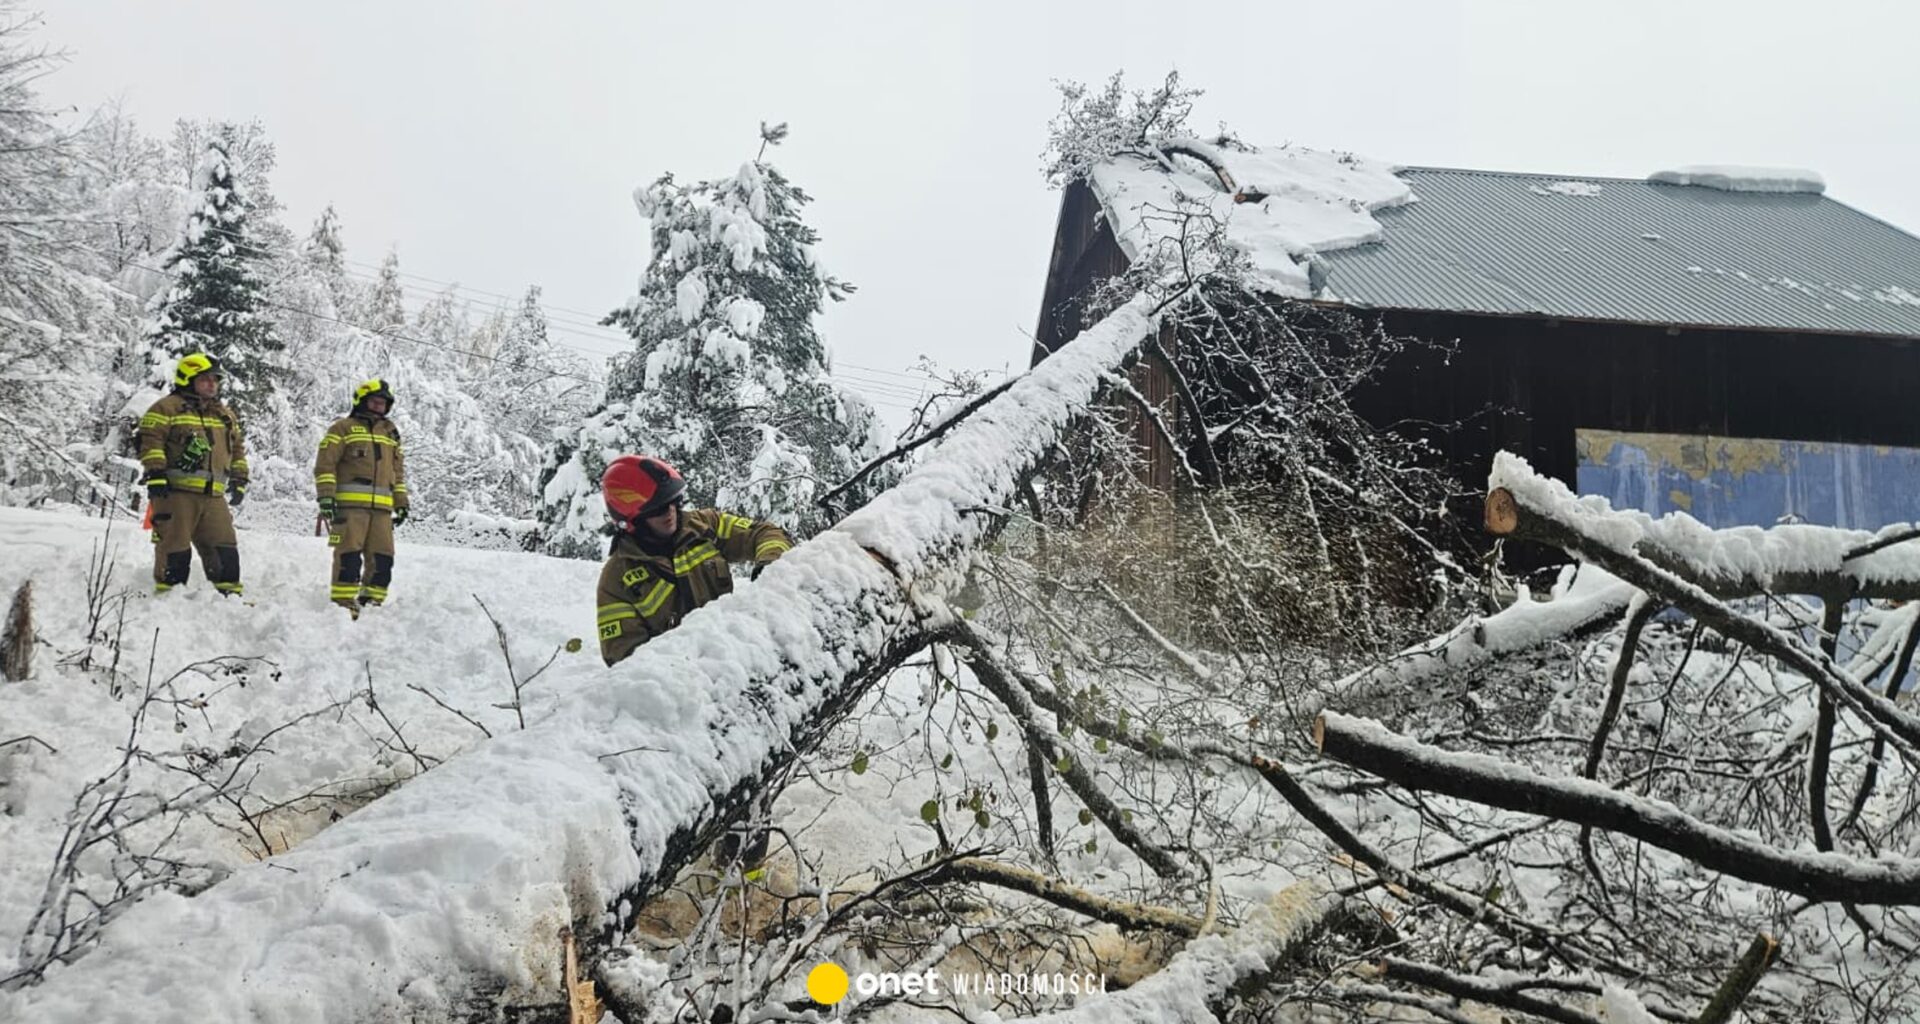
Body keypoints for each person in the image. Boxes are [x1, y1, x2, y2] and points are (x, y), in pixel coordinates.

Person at [595, 455, 793, 667]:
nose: (670, 512)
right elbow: (628, 665)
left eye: (673, 501)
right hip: (689, 682)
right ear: (631, 520)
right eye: (658, 509)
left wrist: (770, 565)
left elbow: (764, 533)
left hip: (740, 655)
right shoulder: (616, 582)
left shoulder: (704, 525)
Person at [138, 352, 249, 596]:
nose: (213, 384)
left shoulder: (224, 414)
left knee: (225, 548)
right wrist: (156, 473)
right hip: (175, 494)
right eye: (206, 379)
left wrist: (240, 479)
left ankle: (228, 598)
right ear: (188, 378)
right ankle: (169, 598)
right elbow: (150, 440)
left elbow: (237, 449)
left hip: (213, 496)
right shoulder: (166, 408)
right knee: (174, 549)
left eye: (216, 380)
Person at [314, 378, 410, 618]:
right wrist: (326, 497)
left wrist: (402, 503)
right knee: (348, 558)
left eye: (383, 403)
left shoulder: (391, 432)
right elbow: (325, 465)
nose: (379, 406)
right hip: (349, 508)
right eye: (375, 401)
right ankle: (343, 604)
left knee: (383, 560)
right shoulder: (342, 428)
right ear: (361, 401)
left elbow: (397, 472)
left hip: (382, 511)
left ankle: (372, 604)